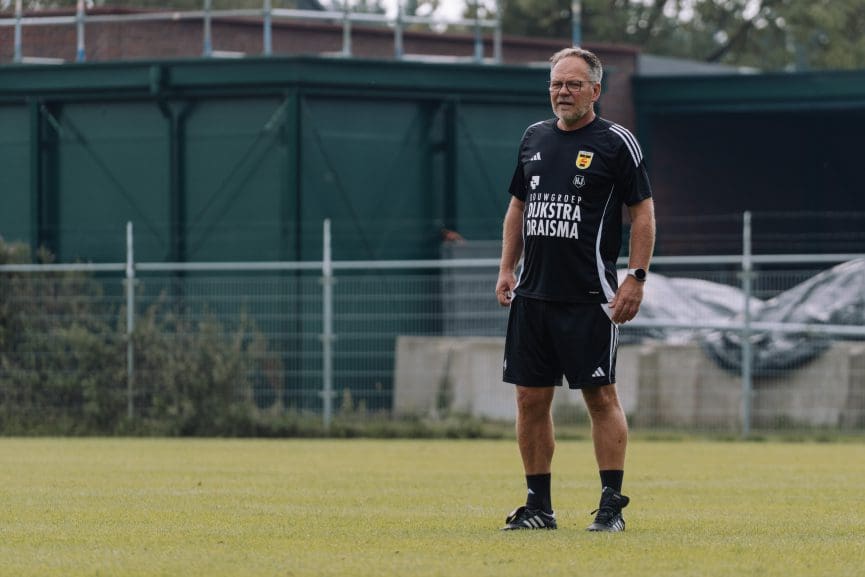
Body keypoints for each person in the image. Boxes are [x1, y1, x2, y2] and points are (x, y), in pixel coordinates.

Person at [495, 47, 655, 532]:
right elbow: (518, 207)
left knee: (600, 398)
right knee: (529, 399)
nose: (562, 92)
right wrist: (506, 268)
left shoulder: (616, 142)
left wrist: (636, 277)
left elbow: (643, 214)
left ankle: (610, 507)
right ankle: (538, 507)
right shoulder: (533, 137)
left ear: (595, 91)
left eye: (573, 84)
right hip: (533, 295)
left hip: (590, 297)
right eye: (556, 84)